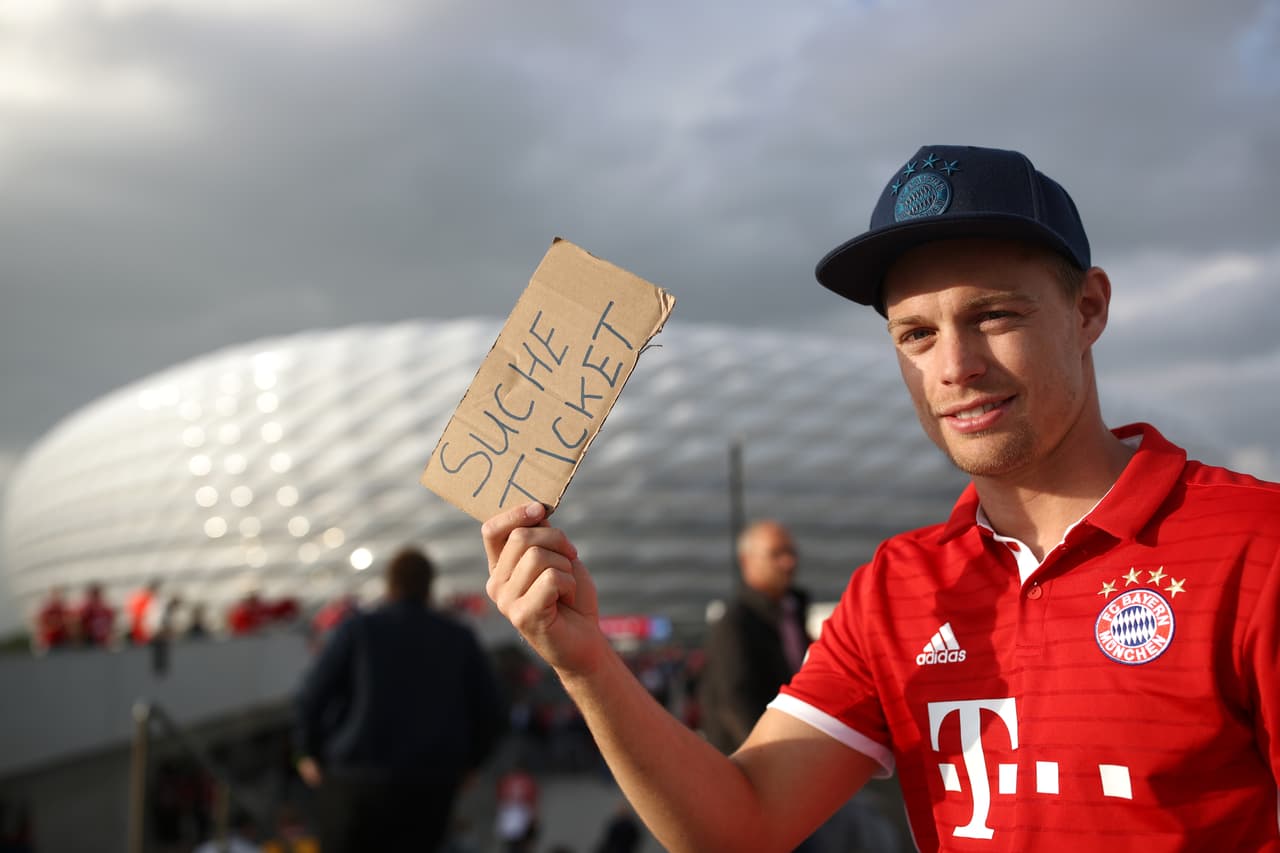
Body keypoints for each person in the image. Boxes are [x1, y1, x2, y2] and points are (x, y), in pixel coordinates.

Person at [479, 144, 1280, 852]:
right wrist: (585, 663)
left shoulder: (1255, 546)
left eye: (995, 314)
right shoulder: (898, 590)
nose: (955, 366)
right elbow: (742, 823)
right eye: (916, 334)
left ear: (1089, 308)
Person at [293, 546, 507, 852]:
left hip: (354, 781)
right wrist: (471, 763)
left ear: (389, 582)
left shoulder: (358, 629)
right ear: (430, 584)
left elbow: (311, 696)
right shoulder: (458, 637)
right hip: (428, 786)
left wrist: (307, 753)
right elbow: (491, 710)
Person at [699, 519, 809, 755]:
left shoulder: (793, 611)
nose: (788, 562)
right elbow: (734, 700)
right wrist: (768, 755)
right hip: (755, 761)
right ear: (747, 562)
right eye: (776, 554)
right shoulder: (734, 623)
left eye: (791, 552)